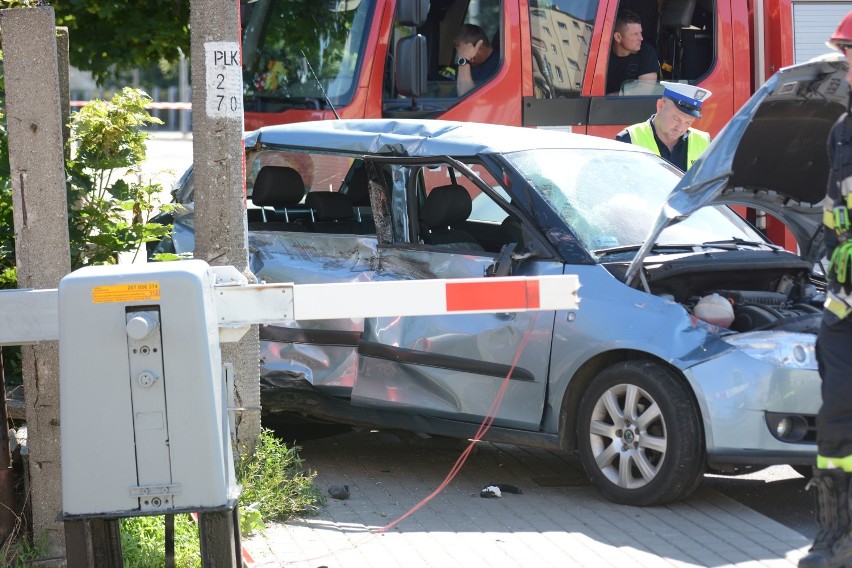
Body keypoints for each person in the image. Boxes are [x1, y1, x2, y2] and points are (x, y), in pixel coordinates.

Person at [800, 12, 852, 568]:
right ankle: (836, 538)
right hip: (845, 310)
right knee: (837, 418)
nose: (847, 62)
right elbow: (835, 214)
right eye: (845, 51)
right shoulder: (842, 130)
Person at [614, 81, 712, 171]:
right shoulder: (628, 139)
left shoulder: (705, 143)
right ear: (660, 105)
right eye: (676, 119)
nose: (680, 128)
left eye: (688, 122)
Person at [606, 9, 659, 95]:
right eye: (635, 34)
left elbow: (645, 91)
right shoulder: (602, 55)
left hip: (634, 107)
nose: (641, 38)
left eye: (640, 33)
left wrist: (610, 97)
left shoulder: (646, 52)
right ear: (618, 37)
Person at [454, 23, 499, 97]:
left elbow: (466, 98)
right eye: (460, 55)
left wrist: (464, 60)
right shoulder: (472, 65)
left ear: (480, 48)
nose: (462, 57)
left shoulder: (497, 68)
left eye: (466, 53)